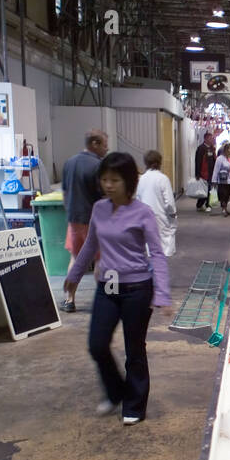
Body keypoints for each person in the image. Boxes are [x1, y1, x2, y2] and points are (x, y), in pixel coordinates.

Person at [64, 152, 172, 425]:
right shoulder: (99, 208)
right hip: (108, 286)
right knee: (97, 344)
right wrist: (75, 275)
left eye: (114, 180)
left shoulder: (143, 213)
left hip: (137, 288)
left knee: (134, 349)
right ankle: (115, 392)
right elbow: (90, 245)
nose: (108, 185)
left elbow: (157, 254)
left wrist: (162, 293)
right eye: (104, 179)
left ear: (128, 182)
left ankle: (134, 404)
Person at [60, 129, 108, 311]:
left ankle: (69, 300)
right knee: (100, 260)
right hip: (95, 222)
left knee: (75, 258)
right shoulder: (99, 166)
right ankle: (106, 300)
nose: (107, 148)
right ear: (94, 144)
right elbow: (105, 197)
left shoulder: (69, 163)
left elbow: (65, 193)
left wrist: (71, 214)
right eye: (104, 144)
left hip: (74, 220)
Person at [136, 150, 177, 256]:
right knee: (166, 235)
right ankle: (166, 255)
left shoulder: (142, 179)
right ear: (160, 162)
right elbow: (169, 202)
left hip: (145, 214)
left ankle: (152, 254)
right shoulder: (163, 178)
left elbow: (138, 199)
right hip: (161, 214)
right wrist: (172, 213)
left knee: (150, 237)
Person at [194, 131, 216, 212]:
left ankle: (208, 205)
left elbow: (213, 160)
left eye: (212, 138)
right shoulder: (201, 148)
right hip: (204, 173)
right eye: (210, 138)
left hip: (211, 173)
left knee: (210, 190)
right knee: (204, 190)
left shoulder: (211, 148)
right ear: (206, 139)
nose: (212, 140)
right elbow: (198, 162)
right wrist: (197, 174)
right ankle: (199, 205)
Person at [212, 142, 230, 216]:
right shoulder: (220, 159)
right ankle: (223, 209)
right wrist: (214, 181)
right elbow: (216, 170)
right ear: (225, 150)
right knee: (223, 195)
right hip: (222, 180)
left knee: (227, 195)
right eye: (229, 149)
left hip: (229, 180)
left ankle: (226, 208)